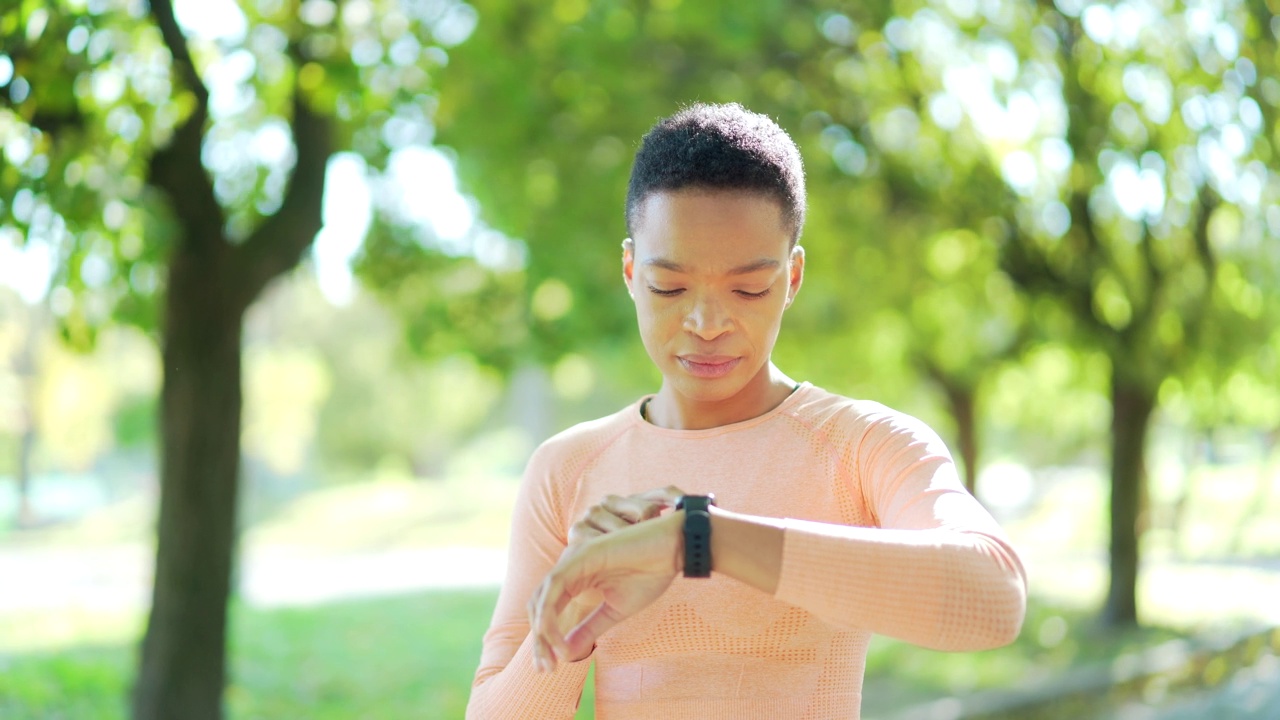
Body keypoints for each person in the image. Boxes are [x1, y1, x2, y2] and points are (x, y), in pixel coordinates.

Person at [465, 103, 1027, 719]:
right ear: (630, 271)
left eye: (749, 288)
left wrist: (701, 539)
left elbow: (993, 598)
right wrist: (573, 628)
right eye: (670, 287)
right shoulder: (569, 469)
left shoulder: (865, 445)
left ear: (792, 278)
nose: (707, 324)